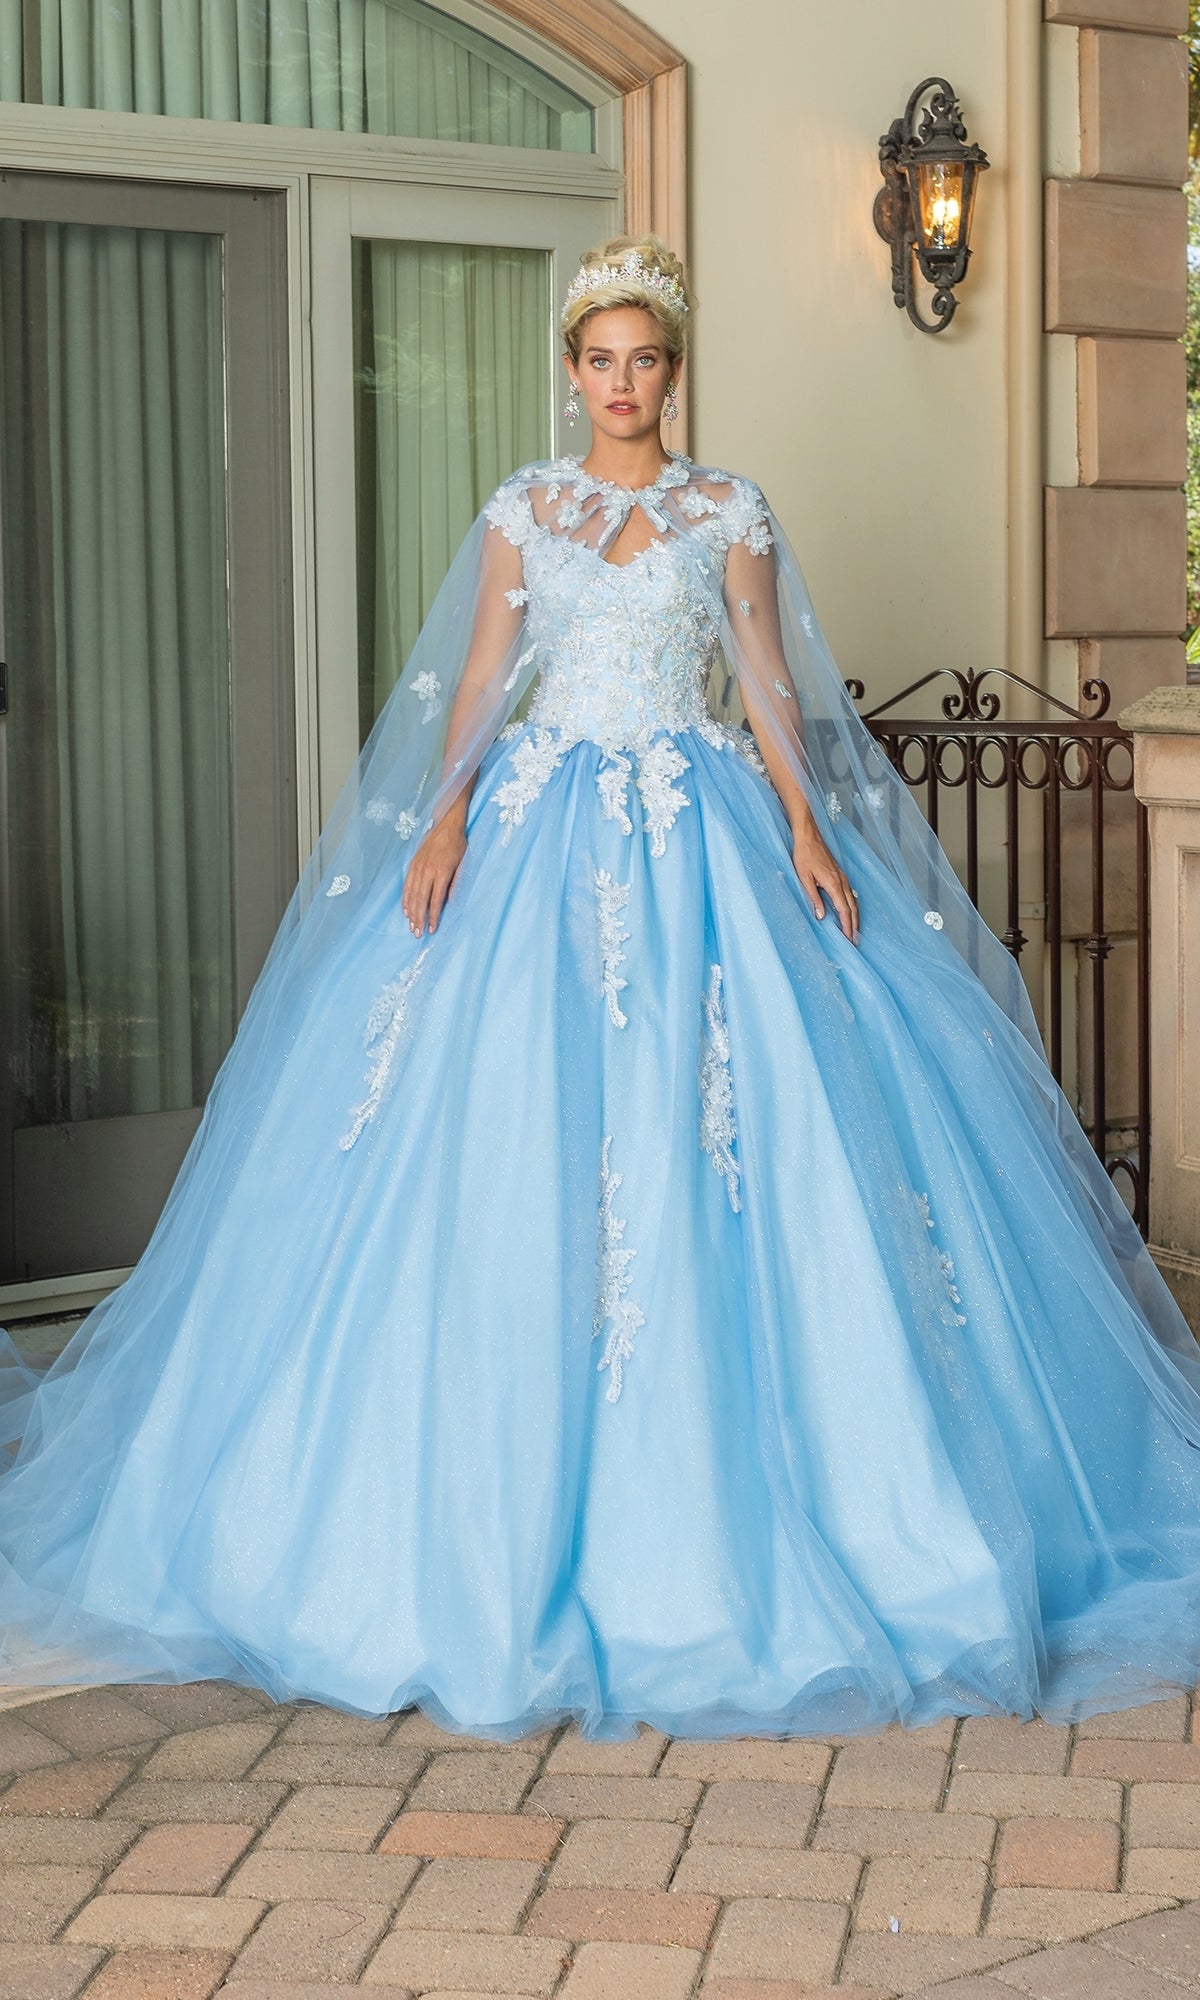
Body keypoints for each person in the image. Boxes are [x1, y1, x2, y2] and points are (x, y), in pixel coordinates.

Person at [1, 235, 1198, 1743]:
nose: (623, 384)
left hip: (700, 834)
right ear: (570, 373)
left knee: (740, 1139)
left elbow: (766, 686)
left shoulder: (728, 511)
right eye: (601, 359)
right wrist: (440, 820)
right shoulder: (524, 510)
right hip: (535, 836)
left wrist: (812, 837)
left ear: (671, 372)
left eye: (647, 359)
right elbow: (484, 683)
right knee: (489, 1126)